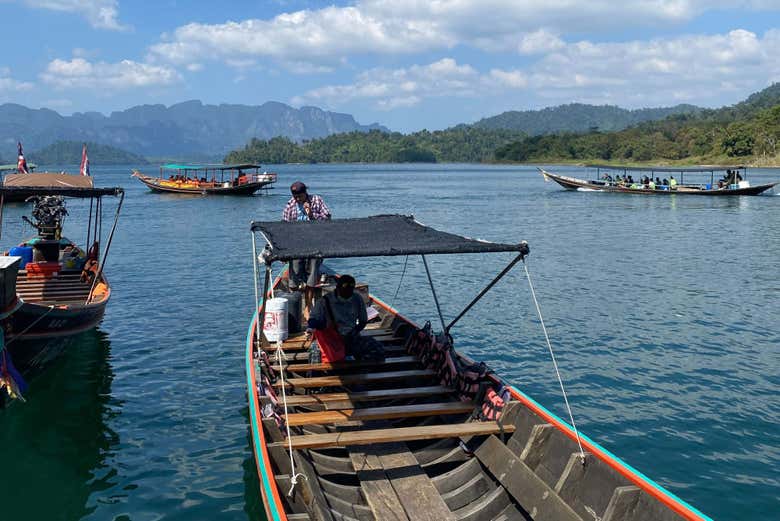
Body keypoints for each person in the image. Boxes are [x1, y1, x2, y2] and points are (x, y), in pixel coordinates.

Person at [306, 275, 384, 362]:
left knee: (378, 349)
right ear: (337, 288)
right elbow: (313, 319)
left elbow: (363, 321)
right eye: (345, 291)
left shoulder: (357, 299)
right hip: (330, 340)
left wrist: (354, 332)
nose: (347, 293)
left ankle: (360, 370)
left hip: (350, 338)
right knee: (314, 355)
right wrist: (311, 327)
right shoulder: (323, 302)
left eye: (350, 291)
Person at [282, 181, 331, 311]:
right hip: (297, 244)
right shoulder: (290, 205)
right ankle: (295, 304)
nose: (297, 199)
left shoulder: (316, 200)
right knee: (294, 273)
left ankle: (308, 306)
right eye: (295, 196)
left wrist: (311, 215)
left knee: (312, 273)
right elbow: (284, 227)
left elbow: (327, 218)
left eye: (300, 196)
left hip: (315, 243)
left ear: (305, 193)